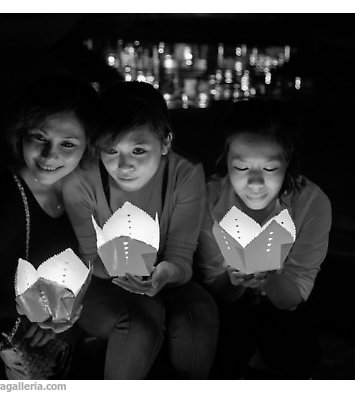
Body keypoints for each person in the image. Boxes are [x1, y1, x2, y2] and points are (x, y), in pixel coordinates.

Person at [0, 75, 98, 379]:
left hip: (30, 337)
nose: (50, 156)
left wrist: (54, 316)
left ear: (87, 145)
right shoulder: (7, 203)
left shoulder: (76, 190)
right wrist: (44, 314)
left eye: (68, 144)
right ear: (21, 133)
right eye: (40, 137)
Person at [62, 81, 219, 379]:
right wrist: (126, 269)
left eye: (138, 150)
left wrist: (165, 274)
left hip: (167, 277)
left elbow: (181, 255)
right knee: (141, 322)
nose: (124, 165)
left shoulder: (185, 174)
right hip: (103, 281)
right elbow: (89, 258)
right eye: (111, 150)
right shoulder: (80, 182)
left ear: (165, 143)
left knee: (198, 317)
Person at [195, 99, 332, 379]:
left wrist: (270, 274)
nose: (255, 183)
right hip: (229, 307)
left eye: (269, 169)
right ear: (226, 159)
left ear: (288, 160)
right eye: (242, 168)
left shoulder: (311, 204)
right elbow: (218, 288)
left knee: (295, 351)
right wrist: (232, 280)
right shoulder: (210, 200)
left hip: (284, 305)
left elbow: (292, 297)